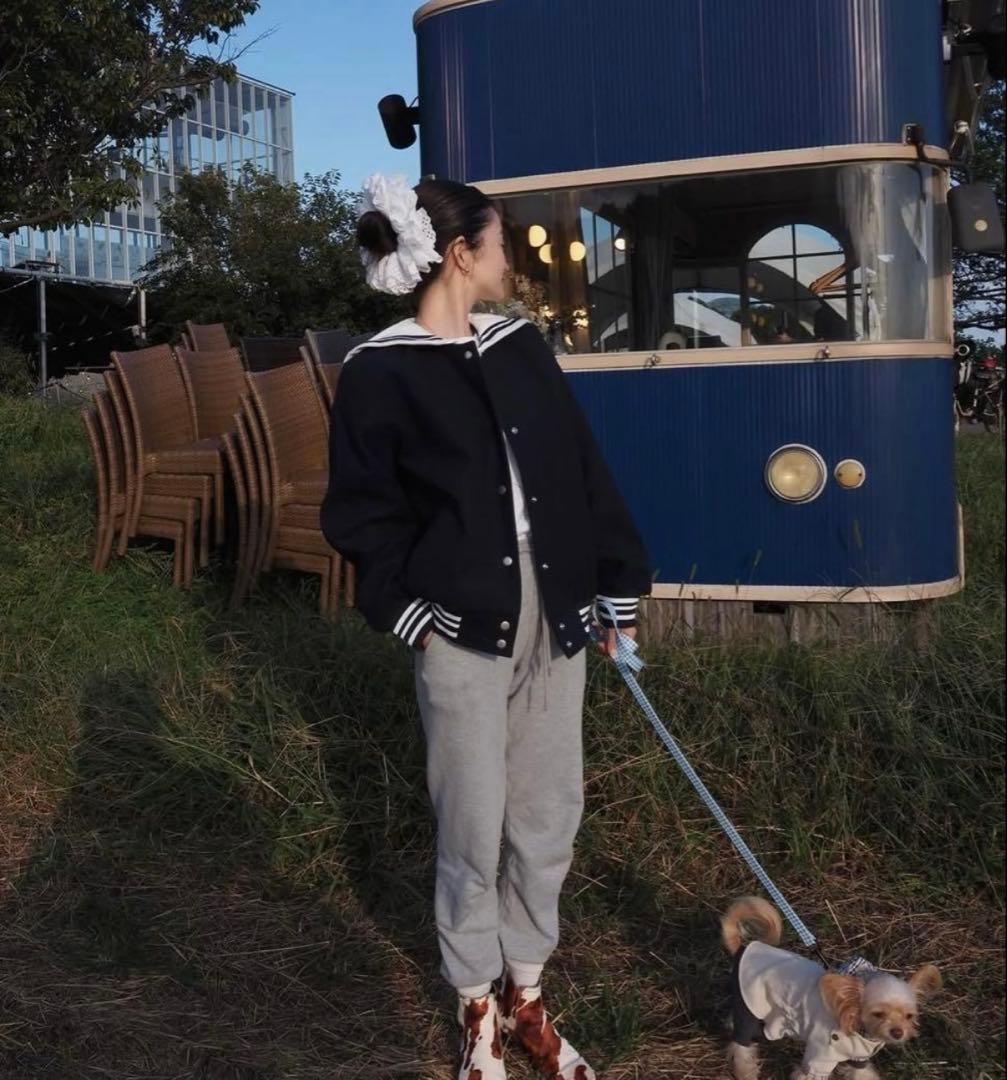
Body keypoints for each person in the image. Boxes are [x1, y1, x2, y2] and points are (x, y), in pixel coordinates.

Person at [321, 173, 653, 1080]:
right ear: (460, 254)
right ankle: (476, 1011)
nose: (513, 260)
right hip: (458, 625)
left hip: (557, 608)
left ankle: (527, 994)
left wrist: (613, 591)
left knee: (549, 815)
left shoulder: (519, 347)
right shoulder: (378, 370)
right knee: (471, 827)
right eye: (501, 245)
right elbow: (362, 512)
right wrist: (409, 615)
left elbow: (582, 472)